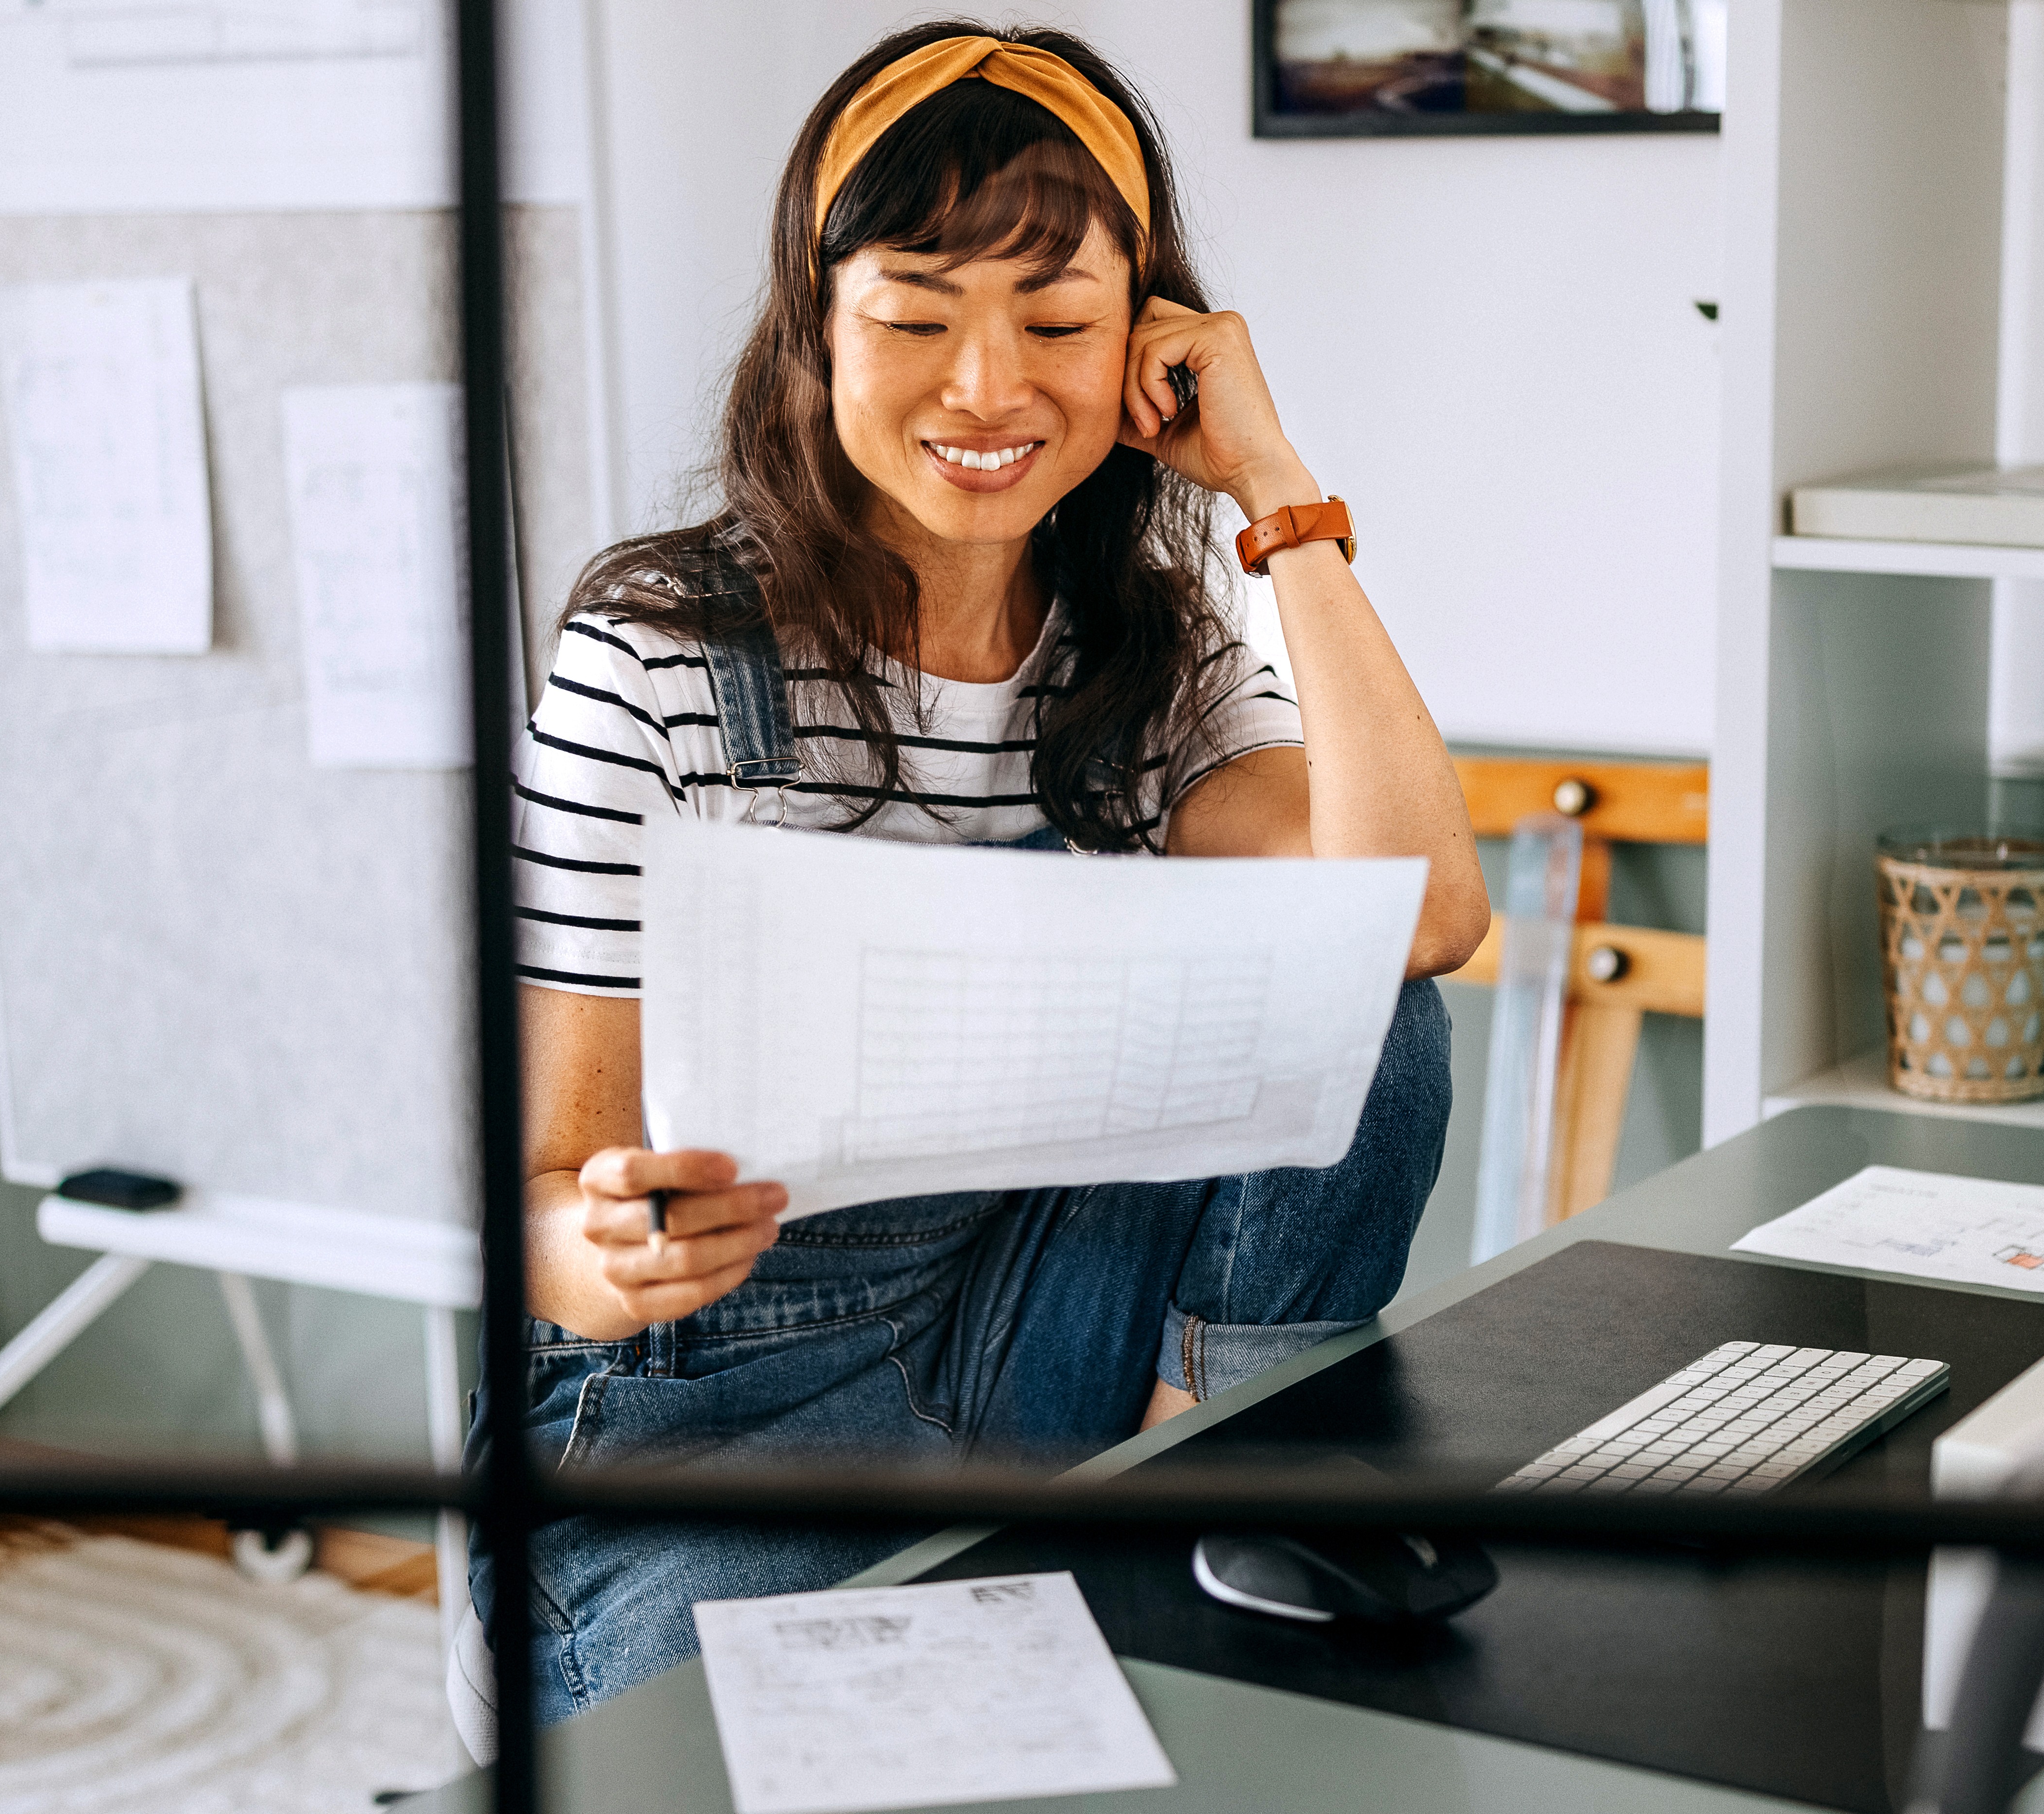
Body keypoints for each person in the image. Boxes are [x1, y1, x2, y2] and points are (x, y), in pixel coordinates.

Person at [478, 21, 1492, 1724]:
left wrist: (1273, 481)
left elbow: (1423, 911)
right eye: (917, 314)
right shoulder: (651, 659)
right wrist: (610, 1251)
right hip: (706, 1417)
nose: (987, 386)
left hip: (1027, 1340)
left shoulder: (1146, 658)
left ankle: (1250, 1489)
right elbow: (544, 1195)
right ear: (819, 328)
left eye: (1059, 321)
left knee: (1355, 965)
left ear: (1147, 348)